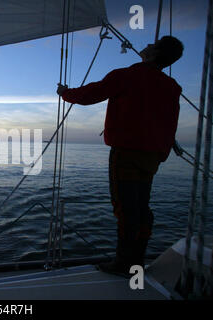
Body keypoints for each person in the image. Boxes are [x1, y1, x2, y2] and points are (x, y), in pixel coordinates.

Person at [56, 36, 184, 276]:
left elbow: (90, 94)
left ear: (154, 52)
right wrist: (162, 152)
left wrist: (65, 93)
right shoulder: (172, 87)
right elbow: (171, 122)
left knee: (125, 209)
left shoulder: (125, 75)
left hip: (126, 153)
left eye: (152, 43)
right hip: (153, 157)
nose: (145, 43)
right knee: (141, 207)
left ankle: (125, 264)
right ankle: (137, 262)